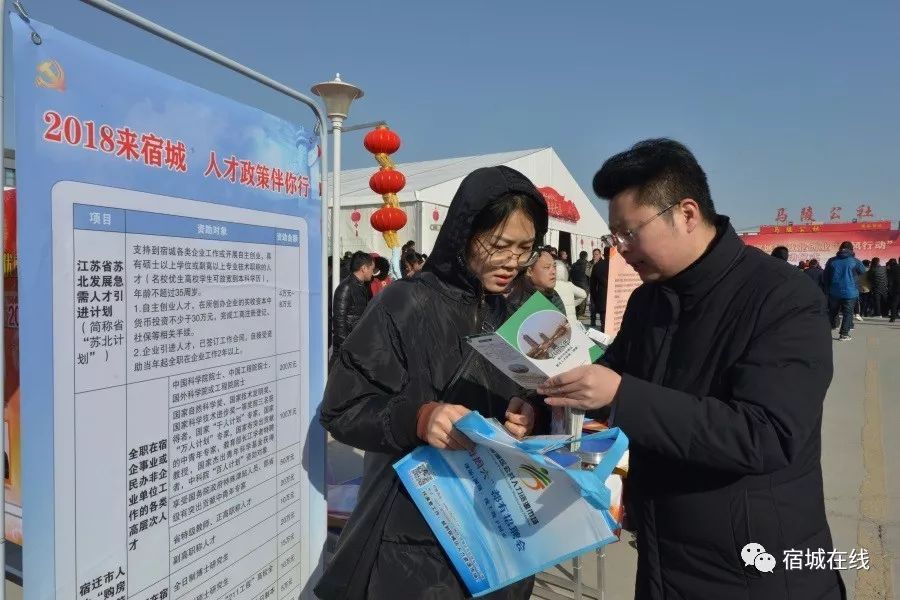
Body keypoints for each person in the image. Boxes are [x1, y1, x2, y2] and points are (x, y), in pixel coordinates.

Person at [537, 139, 844, 600]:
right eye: (613, 238)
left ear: (686, 213)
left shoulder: (782, 298)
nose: (621, 249)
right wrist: (543, 405)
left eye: (629, 234)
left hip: (755, 574)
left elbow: (767, 434)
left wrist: (622, 396)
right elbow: (605, 378)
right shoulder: (649, 302)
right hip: (664, 562)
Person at [317, 166, 550, 600]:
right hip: (413, 537)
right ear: (463, 234)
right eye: (498, 246)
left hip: (498, 524)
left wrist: (529, 413)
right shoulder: (406, 301)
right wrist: (419, 418)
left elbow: (536, 392)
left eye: (524, 249)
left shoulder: (520, 310)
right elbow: (342, 408)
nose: (512, 262)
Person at [330, 251, 374, 365]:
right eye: (371, 269)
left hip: (356, 343)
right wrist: (347, 347)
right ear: (364, 268)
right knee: (336, 379)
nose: (372, 273)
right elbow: (339, 322)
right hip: (345, 348)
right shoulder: (346, 287)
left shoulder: (361, 286)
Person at [824, 243, 866, 339]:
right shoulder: (855, 261)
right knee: (848, 313)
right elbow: (863, 273)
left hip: (834, 291)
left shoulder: (831, 261)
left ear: (840, 249)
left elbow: (825, 276)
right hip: (850, 292)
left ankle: (830, 328)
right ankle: (844, 334)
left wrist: (827, 288)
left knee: (833, 311)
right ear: (851, 249)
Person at [525, 248, 565, 312]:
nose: (553, 272)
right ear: (530, 272)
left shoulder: (554, 296)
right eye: (547, 267)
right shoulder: (518, 300)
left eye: (554, 266)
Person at [588, 247, 608, 329]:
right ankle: (593, 321)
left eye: (596, 254)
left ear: (601, 255)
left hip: (601, 294)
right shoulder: (590, 263)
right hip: (599, 293)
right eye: (593, 254)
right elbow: (588, 274)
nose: (594, 256)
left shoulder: (600, 264)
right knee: (593, 307)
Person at [570, 250, 591, 317]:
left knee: (576, 298)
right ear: (586, 256)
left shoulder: (574, 264)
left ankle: (576, 312)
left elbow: (571, 274)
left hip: (575, 283)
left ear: (580, 256)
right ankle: (581, 313)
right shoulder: (588, 265)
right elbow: (589, 275)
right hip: (585, 284)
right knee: (583, 299)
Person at [888, 258, 900, 322]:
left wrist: (890, 287)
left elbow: (890, 279)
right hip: (896, 287)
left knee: (894, 303)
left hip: (896, 287)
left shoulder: (894, 268)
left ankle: (893, 317)